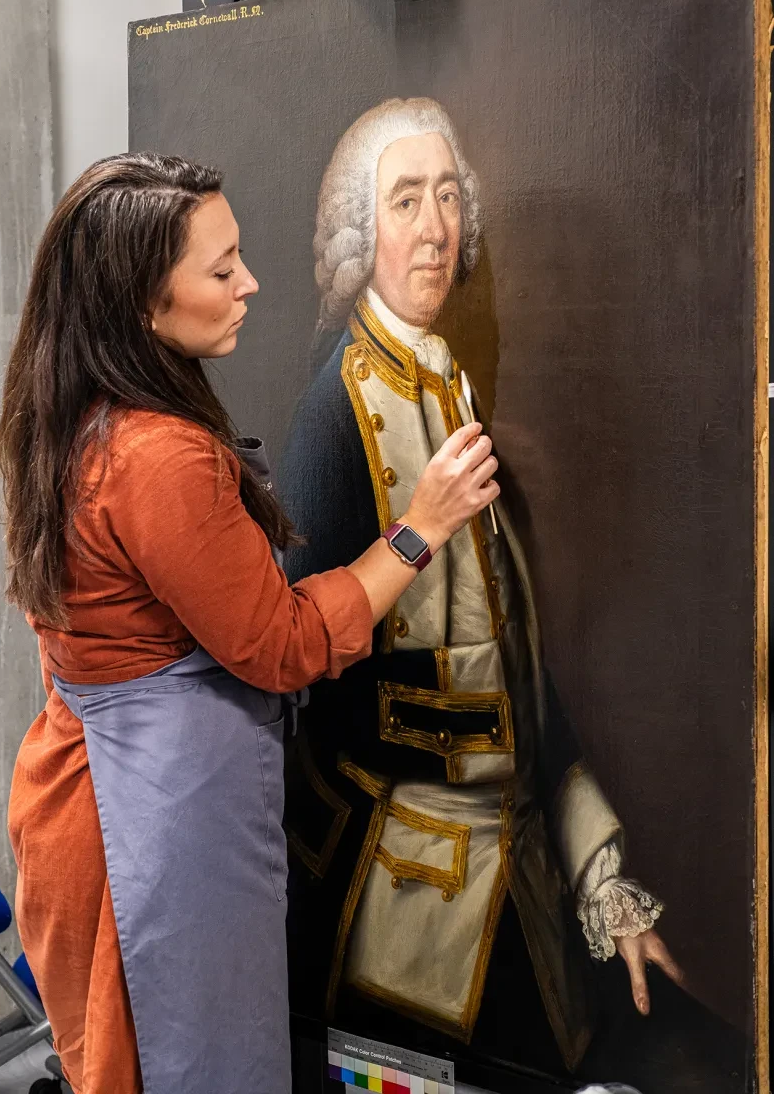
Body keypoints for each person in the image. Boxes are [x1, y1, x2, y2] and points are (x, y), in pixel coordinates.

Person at [0, 152, 499, 1094]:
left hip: (95, 791)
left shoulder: (69, 412)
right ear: (143, 305)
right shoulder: (157, 455)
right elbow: (283, 644)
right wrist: (421, 527)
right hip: (153, 828)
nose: (250, 284)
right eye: (221, 269)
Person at [279, 98, 682, 1076]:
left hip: (518, 872)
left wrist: (600, 874)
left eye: (448, 196)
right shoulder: (332, 412)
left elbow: (517, 675)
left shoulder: (453, 385)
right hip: (400, 898)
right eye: (405, 200)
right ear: (361, 233)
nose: (433, 227)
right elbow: (301, 664)